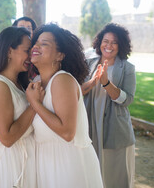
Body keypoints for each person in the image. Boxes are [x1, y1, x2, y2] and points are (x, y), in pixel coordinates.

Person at [26, 23, 103, 188]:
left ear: (60, 55)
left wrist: (34, 103)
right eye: (36, 43)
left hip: (68, 166)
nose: (36, 46)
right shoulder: (37, 82)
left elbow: (67, 132)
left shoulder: (62, 80)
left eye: (44, 43)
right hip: (47, 164)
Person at [0, 27, 41, 188]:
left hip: (27, 164)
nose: (31, 56)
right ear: (9, 51)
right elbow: (6, 138)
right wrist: (35, 105)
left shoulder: (20, 84)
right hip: (11, 170)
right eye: (27, 50)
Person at [82, 23, 136, 188]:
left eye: (114, 42)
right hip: (89, 122)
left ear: (121, 46)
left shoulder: (127, 68)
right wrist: (93, 82)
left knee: (115, 175)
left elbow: (127, 99)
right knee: (91, 171)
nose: (109, 46)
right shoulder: (88, 61)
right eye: (106, 41)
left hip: (114, 128)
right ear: (99, 42)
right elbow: (77, 91)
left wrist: (106, 82)